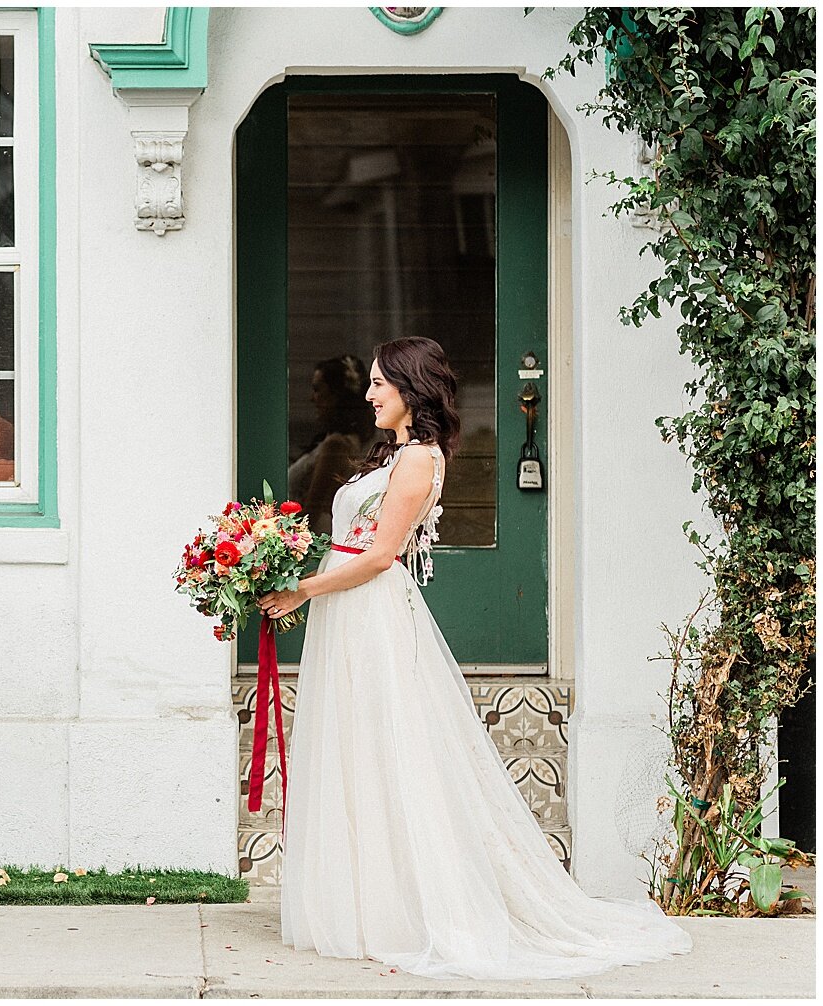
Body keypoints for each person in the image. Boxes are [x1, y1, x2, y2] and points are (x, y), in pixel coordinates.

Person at [258, 336, 691, 979]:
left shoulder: (419, 460)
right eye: (371, 383)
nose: (371, 394)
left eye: (381, 383)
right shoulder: (392, 453)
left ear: (410, 388)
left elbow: (380, 557)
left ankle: (403, 907)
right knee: (355, 747)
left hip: (370, 612)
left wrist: (300, 590)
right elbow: (349, 539)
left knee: (388, 749)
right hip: (345, 611)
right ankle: (361, 899)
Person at [286, 354, 376, 535]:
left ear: (336, 395)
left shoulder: (336, 446)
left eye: (318, 389)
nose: (313, 398)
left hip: (316, 532)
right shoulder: (338, 441)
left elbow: (313, 507)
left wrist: (288, 542)